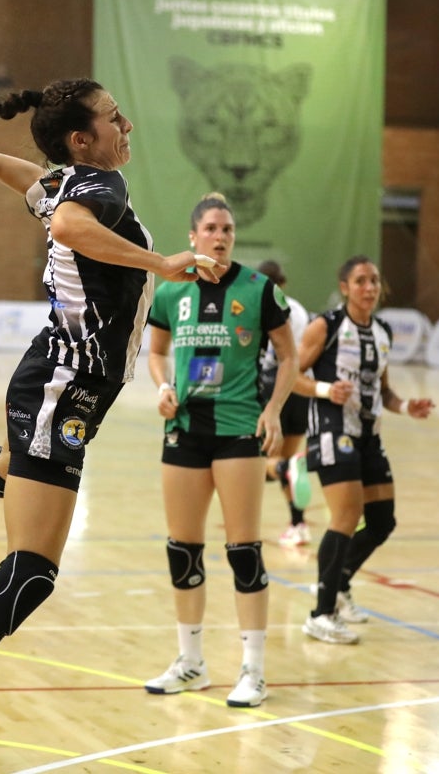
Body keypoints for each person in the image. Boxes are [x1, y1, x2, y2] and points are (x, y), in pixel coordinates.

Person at [0, 71, 213, 774]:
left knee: (13, 470)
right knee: (32, 568)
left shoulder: (74, 180)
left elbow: (39, 188)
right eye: (116, 119)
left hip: (65, 387)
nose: (128, 129)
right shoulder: (99, 190)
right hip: (62, 387)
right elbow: (63, 222)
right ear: (82, 139)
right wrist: (161, 263)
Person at [141, 194, 297, 708]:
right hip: (184, 429)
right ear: (193, 236)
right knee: (182, 549)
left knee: (244, 551)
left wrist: (272, 409)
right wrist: (162, 388)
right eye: (211, 227)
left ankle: (253, 670)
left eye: (227, 228)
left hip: (237, 432)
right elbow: (157, 353)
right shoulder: (171, 292)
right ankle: (191, 663)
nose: (221, 235)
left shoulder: (259, 290)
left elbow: (289, 355)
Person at [295, 255, 434, 644]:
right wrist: (325, 389)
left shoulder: (384, 331)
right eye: (360, 281)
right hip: (331, 429)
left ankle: (337, 584)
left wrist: (407, 406)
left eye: (374, 280)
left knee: (382, 521)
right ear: (345, 287)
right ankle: (320, 614)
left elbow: (383, 391)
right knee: (344, 516)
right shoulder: (328, 326)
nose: (369, 288)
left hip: (369, 433)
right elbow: (291, 374)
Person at [256, 259, 314, 548]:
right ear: (284, 282)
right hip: (300, 391)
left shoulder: (259, 305)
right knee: (290, 460)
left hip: (271, 388)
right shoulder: (300, 310)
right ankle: (298, 524)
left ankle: (246, 525)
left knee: (262, 461)